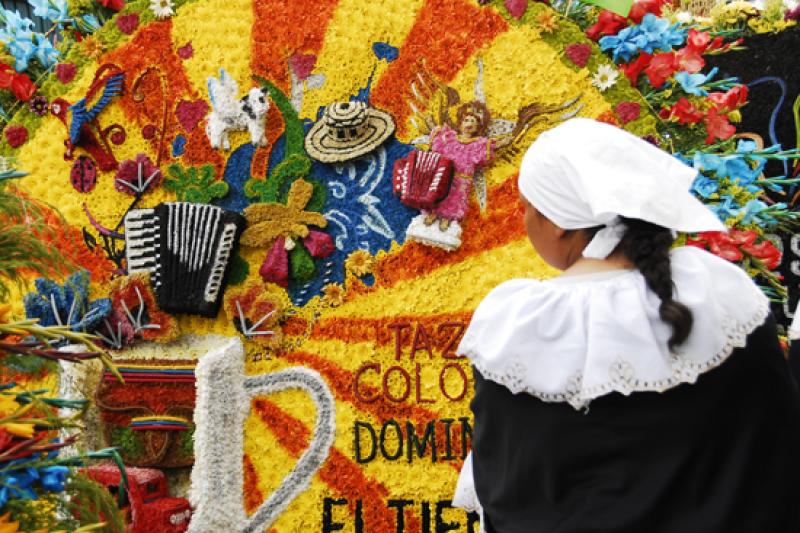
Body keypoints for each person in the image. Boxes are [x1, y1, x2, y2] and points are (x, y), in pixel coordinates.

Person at [452, 118, 800, 532]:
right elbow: (774, 453)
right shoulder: (722, 297)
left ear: (559, 222)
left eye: (527, 206)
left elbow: (507, 489)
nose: (524, 218)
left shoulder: (521, 326)